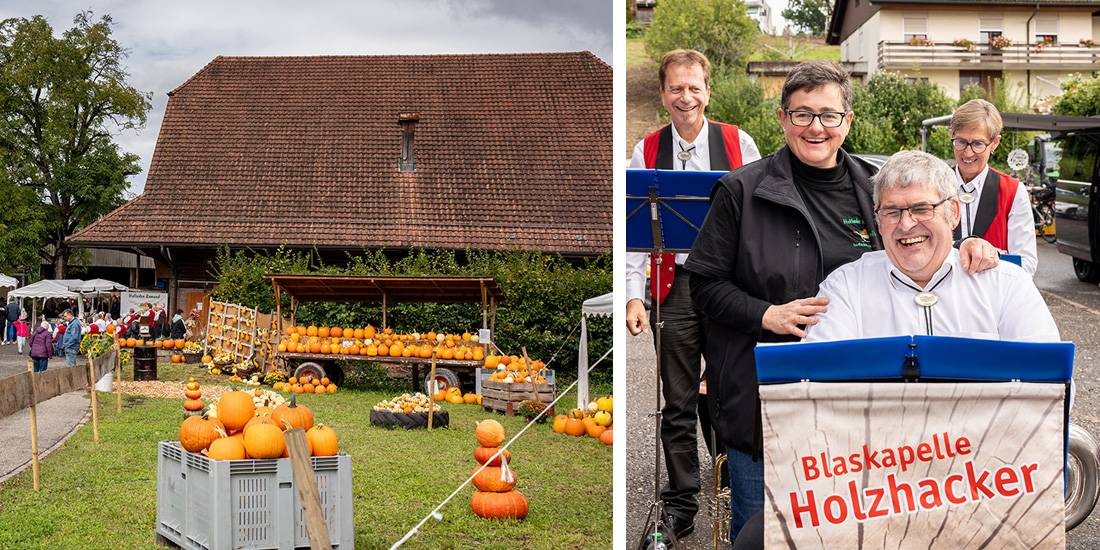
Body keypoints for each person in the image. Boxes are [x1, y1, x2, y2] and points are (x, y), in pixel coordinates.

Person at [683, 61, 1002, 540]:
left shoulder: (875, 189)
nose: (816, 127)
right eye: (803, 114)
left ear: (847, 121)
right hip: (762, 400)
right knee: (764, 531)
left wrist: (967, 246)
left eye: (829, 115)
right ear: (782, 118)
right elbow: (703, 285)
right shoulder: (740, 191)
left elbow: (912, 248)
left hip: (861, 409)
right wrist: (765, 313)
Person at [626, 48, 762, 545]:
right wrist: (632, 296)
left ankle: (734, 490)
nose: (686, 97)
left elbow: (760, 216)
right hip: (673, 286)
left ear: (708, 91)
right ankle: (682, 501)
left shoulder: (738, 142)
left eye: (694, 87)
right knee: (678, 401)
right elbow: (635, 231)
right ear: (663, 94)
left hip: (728, 284)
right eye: (676, 88)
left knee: (730, 392)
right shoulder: (645, 149)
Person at [804, 150, 1058, 342]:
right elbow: (815, 387)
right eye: (892, 211)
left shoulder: (1005, 284)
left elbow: (1050, 387)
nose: (906, 224)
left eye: (922, 208)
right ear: (877, 219)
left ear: (953, 212)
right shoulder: (844, 288)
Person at [950, 99, 1037, 275]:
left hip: (993, 298)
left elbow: (1026, 264)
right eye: (960, 142)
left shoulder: (1012, 191)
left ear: (995, 143)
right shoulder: (934, 186)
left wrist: (986, 259)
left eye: (978, 144)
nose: (967, 153)